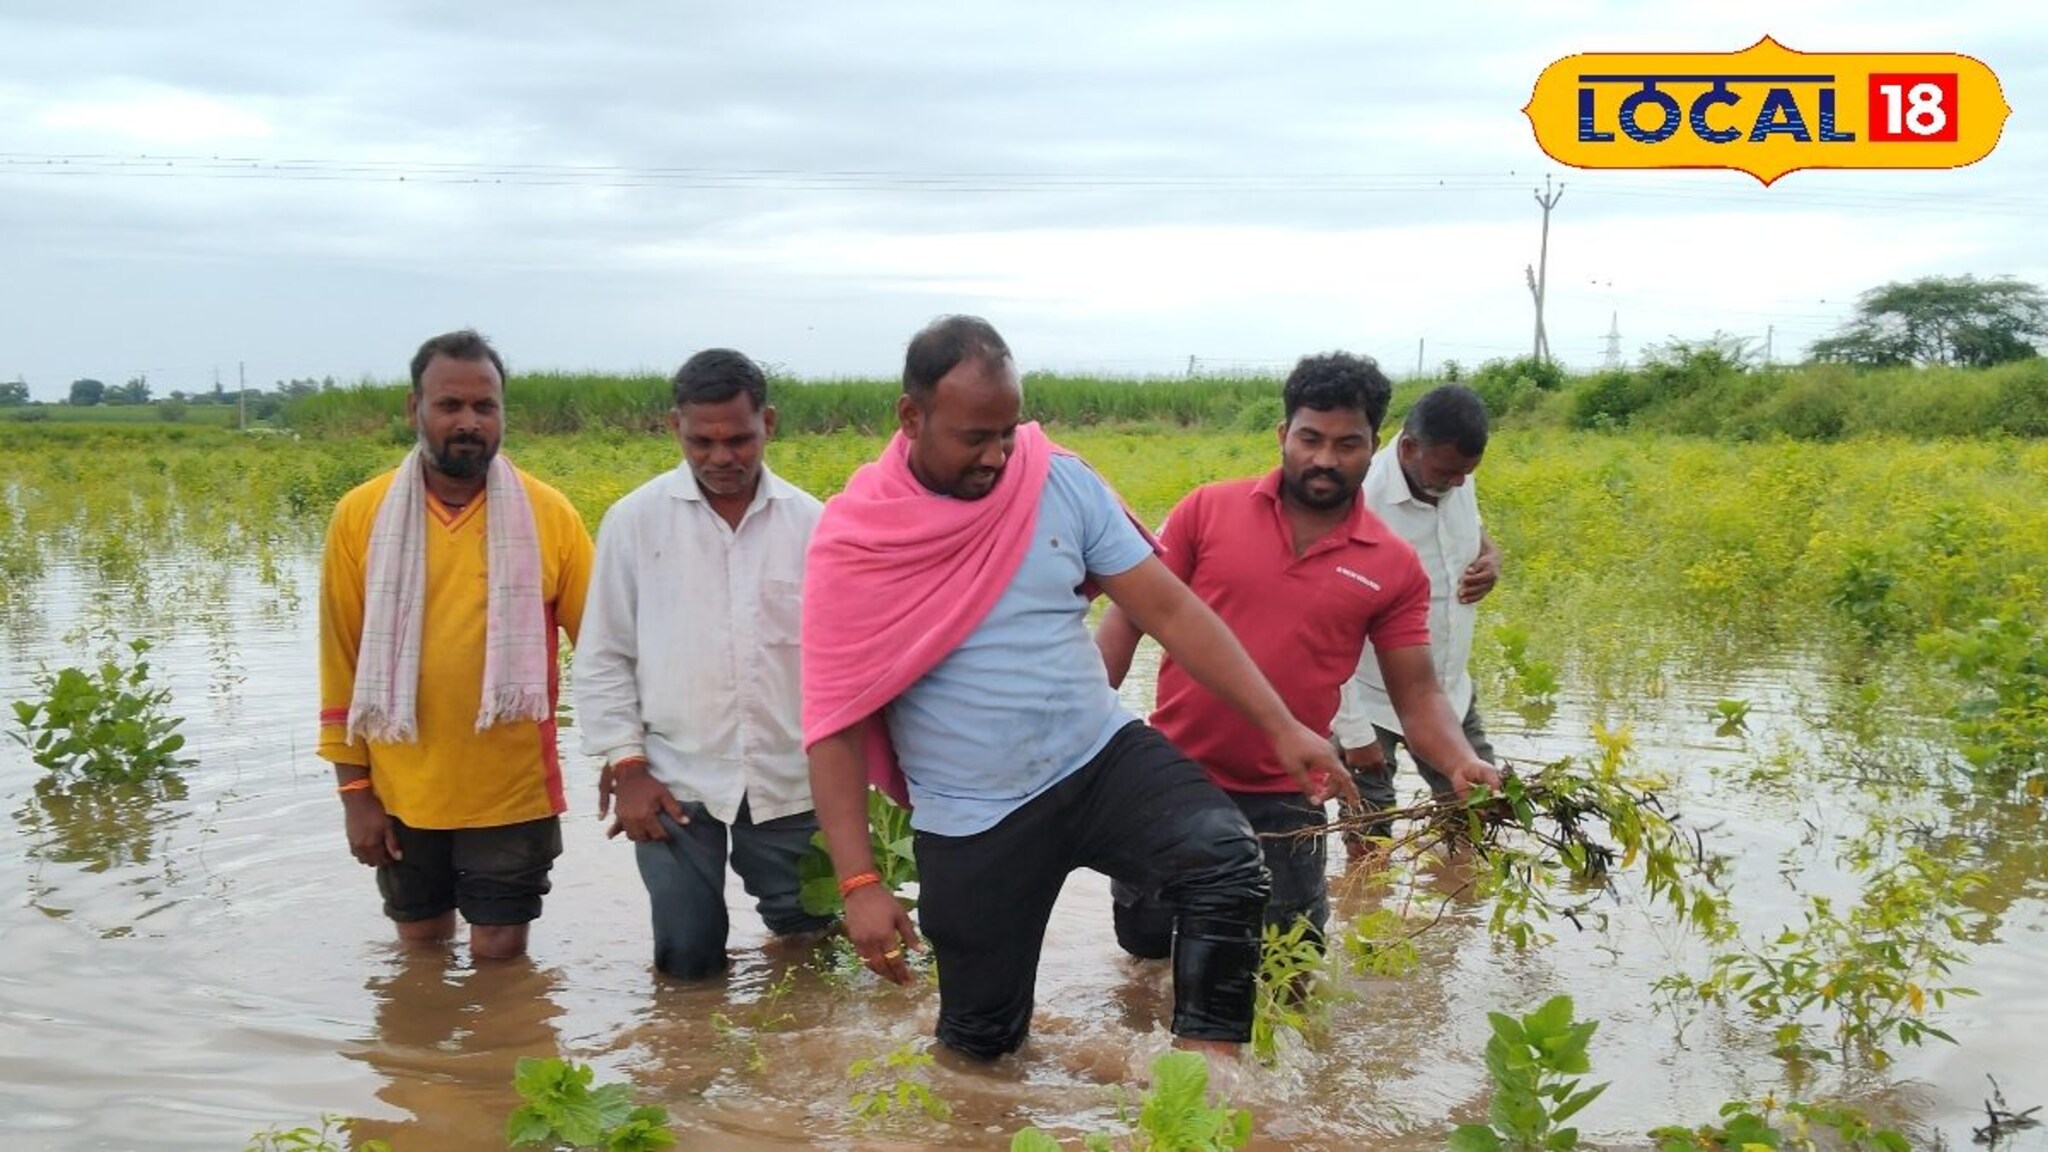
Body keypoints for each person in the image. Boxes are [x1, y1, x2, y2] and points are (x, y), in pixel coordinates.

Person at [800, 315, 1349, 1062]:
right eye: (974, 437)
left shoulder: (1053, 479)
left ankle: (1209, 1089)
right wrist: (860, 880)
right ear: (911, 416)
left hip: (1094, 758)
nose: (998, 456)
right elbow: (832, 721)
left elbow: (1171, 611)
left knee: (1225, 861)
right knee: (980, 1052)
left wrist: (1281, 726)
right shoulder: (857, 542)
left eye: (1008, 431)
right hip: (973, 813)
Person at [1095, 355, 1502, 953]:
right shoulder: (1206, 511)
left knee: (1290, 962)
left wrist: (1460, 759)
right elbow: (1128, 618)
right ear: (1284, 434)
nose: (1325, 459)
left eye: (1347, 444)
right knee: (1146, 945)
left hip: (1290, 792)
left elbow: (1417, 694)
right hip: (1174, 777)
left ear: (1375, 447)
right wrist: (1078, 723)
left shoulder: (1392, 564)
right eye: (1311, 439)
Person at [318, 329, 593, 960]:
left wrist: (627, 759)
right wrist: (355, 794)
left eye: (484, 406)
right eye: (449, 405)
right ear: (414, 409)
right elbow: (340, 659)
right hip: (400, 791)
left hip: (512, 790)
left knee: (501, 958)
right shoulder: (360, 516)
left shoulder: (550, 515)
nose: (468, 422)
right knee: (420, 951)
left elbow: (603, 650)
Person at [571, 348, 836, 979]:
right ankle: (685, 1042)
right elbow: (604, 654)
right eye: (702, 441)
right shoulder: (634, 522)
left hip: (789, 777)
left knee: (813, 948)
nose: (722, 457)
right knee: (685, 957)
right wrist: (627, 766)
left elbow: (844, 664)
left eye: (739, 439)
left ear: (768, 423)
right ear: (675, 428)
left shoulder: (814, 525)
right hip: (672, 780)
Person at [1332, 384, 1501, 856]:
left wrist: (1491, 558)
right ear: (1408, 448)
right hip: (1370, 697)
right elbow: (1328, 630)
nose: (1459, 483)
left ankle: (1459, 893)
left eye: (1467, 472)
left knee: (1479, 810)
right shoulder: (1358, 503)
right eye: (1448, 472)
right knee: (1369, 837)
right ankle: (1367, 899)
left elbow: (1476, 533)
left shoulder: (1454, 477)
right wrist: (1353, 732)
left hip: (1448, 690)